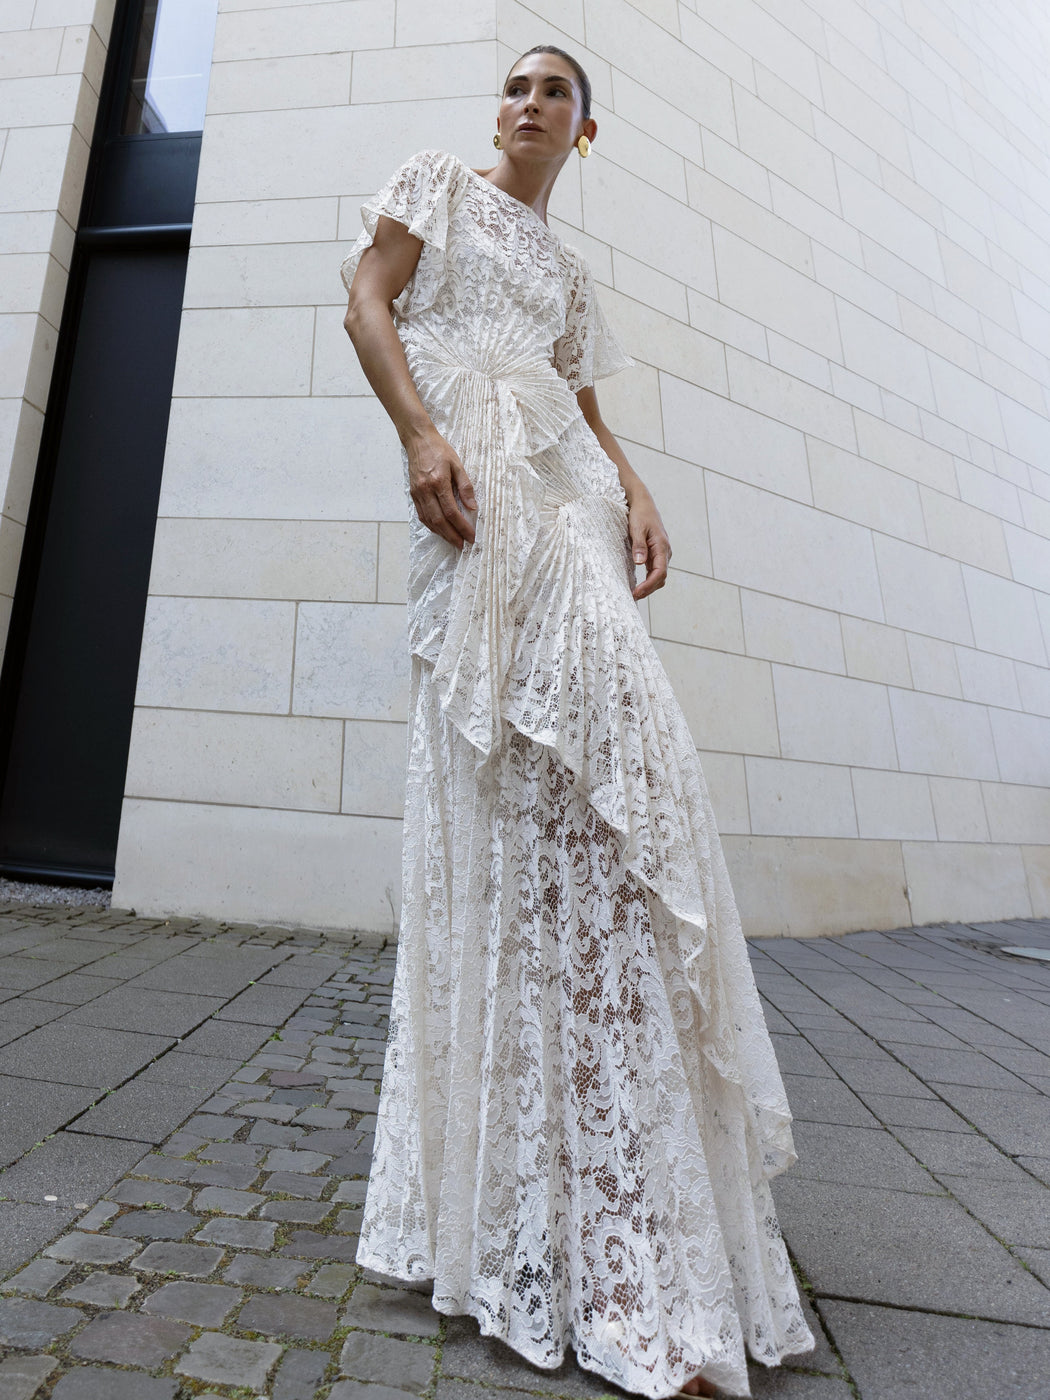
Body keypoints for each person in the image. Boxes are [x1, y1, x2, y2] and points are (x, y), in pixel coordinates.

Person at [340, 44, 815, 1400]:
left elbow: (585, 403)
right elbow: (365, 304)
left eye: (553, 91)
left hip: (572, 501)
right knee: (513, 800)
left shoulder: (566, 270)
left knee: (624, 790)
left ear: (584, 129)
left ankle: (622, 1213)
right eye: (514, 85)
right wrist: (419, 434)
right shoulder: (434, 187)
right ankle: (526, 1224)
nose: (527, 102)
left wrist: (638, 487)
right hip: (474, 493)